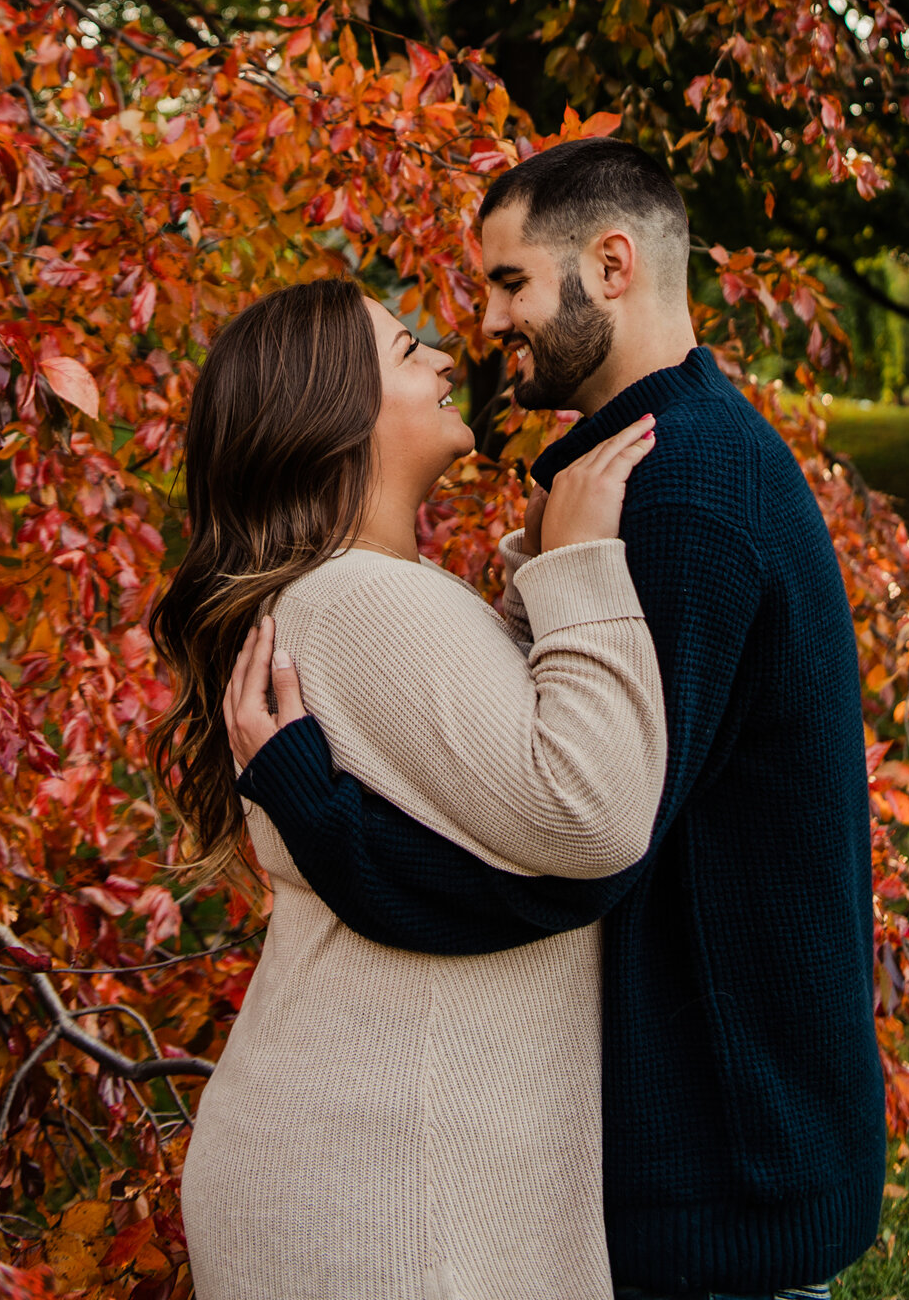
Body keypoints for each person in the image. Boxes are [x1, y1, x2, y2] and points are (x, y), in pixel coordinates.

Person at [227, 141, 888, 1300]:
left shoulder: (676, 486)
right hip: (716, 1145)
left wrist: (320, 820)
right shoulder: (672, 460)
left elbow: (578, 855)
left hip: (719, 1165)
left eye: (510, 282)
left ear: (612, 264)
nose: (485, 318)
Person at [148, 275, 668, 1300]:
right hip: (394, 1192)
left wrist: (540, 558)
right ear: (331, 414)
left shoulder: (351, 595)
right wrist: (584, 561)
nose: (441, 358)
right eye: (402, 349)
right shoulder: (363, 601)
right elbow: (592, 812)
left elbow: (476, 805)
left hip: (391, 1169)